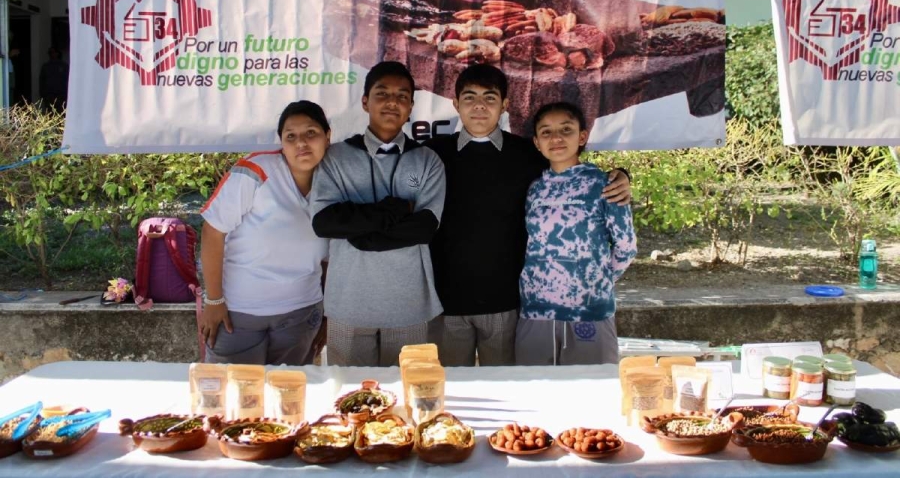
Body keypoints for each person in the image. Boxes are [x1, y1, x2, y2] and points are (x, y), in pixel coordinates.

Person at [425, 64, 632, 366]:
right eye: (469, 98)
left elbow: (572, 171)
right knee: (455, 392)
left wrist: (622, 176)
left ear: (505, 105)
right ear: (456, 104)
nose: (480, 106)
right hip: (450, 300)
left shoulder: (528, 155)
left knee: (517, 389)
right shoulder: (431, 153)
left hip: (508, 304)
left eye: (490, 98)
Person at [310, 61, 445, 366]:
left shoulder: (428, 160)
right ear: (365, 101)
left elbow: (424, 228)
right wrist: (398, 209)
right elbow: (325, 222)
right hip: (348, 305)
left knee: (409, 393)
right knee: (351, 396)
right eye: (382, 93)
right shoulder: (336, 157)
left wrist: (359, 232)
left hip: (410, 305)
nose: (392, 102)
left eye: (402, 95)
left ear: (411, 105)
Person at [198, 100, 330, 365]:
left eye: (311, 133)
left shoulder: (337, 178)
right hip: (239, 314)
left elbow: (329, 256)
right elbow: (213, 231)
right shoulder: (255, 171)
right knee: (234, 400)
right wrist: (213, 300)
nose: (301, 143)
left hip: (302, 315)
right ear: (281, 142)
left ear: (328, 136)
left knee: (289, 400)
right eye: (291, 136)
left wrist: (327, 313)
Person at [515, 101, 637, 366]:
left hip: (589, 311)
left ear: (582, 136)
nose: (556, 138)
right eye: (546, 132)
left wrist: (596, 280)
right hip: (536, 311)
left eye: (566, 130)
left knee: (591, 392)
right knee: (533, 391)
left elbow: (626, 247)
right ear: (536, 142)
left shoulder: (605, 184)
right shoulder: (534, 189)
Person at [39, 47, 69, 112]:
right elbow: (42, 81)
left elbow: (68, 80)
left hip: (61, 96)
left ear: (57, 53)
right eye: (50, 53)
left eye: (53, 52)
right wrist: (43, 95)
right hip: (49, 96)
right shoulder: (46, 66)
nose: (52, 54)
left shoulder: (64, 66)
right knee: (50, 115)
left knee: (61, 114)